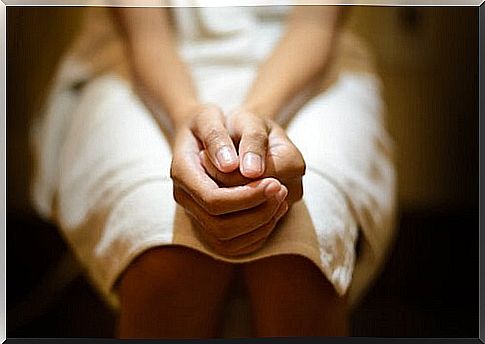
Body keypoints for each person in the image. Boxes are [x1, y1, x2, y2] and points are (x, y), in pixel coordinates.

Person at [30, 3, 397, 338]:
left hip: (306, 64)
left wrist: (259, 115)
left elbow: (314, 25)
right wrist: (185, 115)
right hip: (138, 58)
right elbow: (147, 34)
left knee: (298, 256)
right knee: (166, 255)